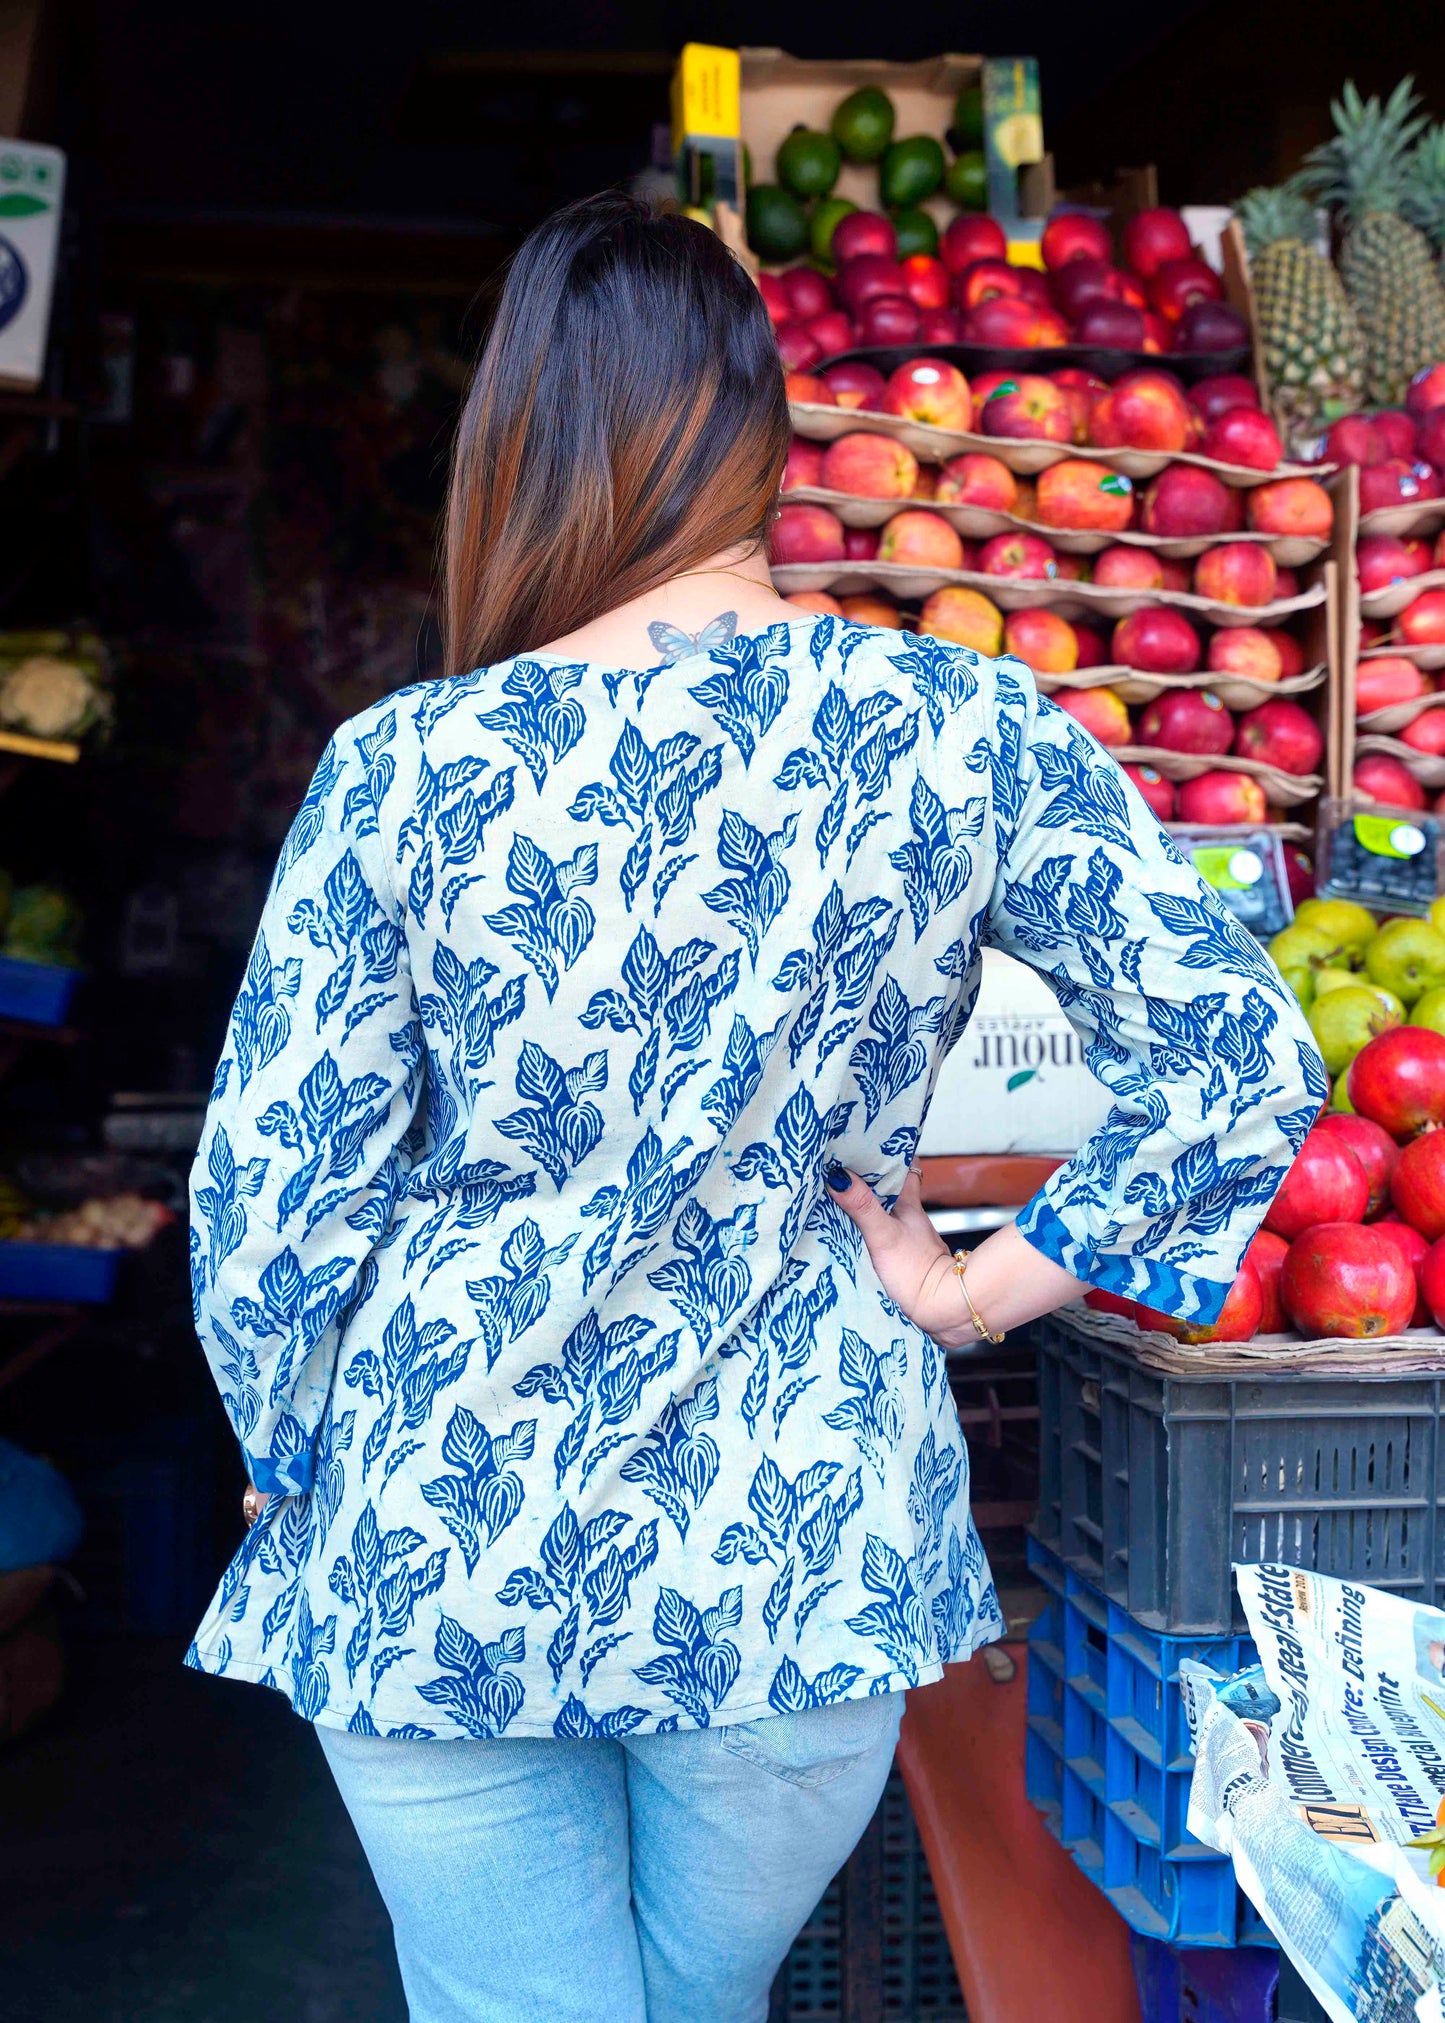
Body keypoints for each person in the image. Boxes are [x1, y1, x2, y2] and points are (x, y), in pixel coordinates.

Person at [186, 192, 1323, 2023]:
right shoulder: (960, 722)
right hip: (796, 1552)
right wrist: (973, 1292)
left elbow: (270, 1199)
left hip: (437, 1540)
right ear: (762, 433)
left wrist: (281, 1443)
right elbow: (1239, 1059)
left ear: (518, 440)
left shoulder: (403, 764)